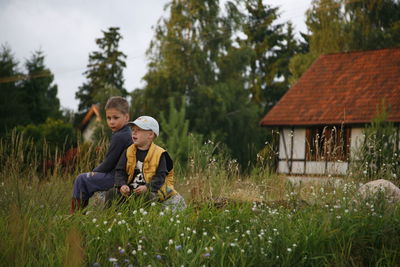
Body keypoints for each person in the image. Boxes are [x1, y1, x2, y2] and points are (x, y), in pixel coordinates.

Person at [70, 96, 132, 214]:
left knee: (81, 179)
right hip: (120, 175)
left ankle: (75, 215)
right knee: (84, 178)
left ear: (126, 117)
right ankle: (80, 214)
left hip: (118, 178)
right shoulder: (126, 132)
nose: (111, 121)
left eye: (115, 117)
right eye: (108, 118)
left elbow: (109, 163)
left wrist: (94, 172)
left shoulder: (120, 136)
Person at [111, 115, 186, 211]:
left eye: (138, 130)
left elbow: (160, 177)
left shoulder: (160, 154)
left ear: (150, 134)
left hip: (151, 191)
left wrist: (147, 187)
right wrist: (122, 185)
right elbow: (120, 171)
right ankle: (113, 220)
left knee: (147, 197)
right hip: (130, 190)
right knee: (112, 193)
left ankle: (142, 222)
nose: (134, 132)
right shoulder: (128, 151)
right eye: (133, 129)